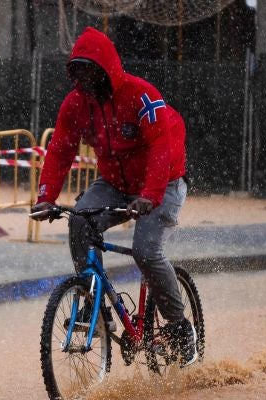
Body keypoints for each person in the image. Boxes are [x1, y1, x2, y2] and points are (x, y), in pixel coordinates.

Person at [30, 27, 197, 367]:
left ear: (106, 69)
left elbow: (160, 147)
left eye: (89, 71)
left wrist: (150, 195)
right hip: (115, 184)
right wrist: (46, 197)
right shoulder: (76, 105)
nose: (83, 80)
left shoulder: (142, 96)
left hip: (163, 183)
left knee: (145, 252)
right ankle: (93, 303)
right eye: (76, 72)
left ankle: (181, 328)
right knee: (79, 220)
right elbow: (61, 150)